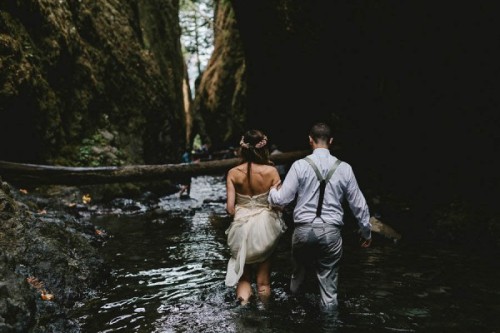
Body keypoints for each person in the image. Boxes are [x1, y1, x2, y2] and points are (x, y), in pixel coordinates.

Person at [268, 122, 372, 311]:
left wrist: (272, 191)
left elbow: (282, 200)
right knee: (329, 289)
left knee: (297, 276)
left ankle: (292, 316)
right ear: (331, 141)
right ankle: (329, 323)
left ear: (310, 140)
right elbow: (359, 204)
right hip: (331, 233)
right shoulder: (345, 168)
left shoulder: (299, 165)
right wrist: (366, 232)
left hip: (302, 230)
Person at [225, 129, 287, 305]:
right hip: (265, 228)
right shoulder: (271, 171)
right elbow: (278, 204)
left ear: (242, 148)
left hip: (241, 228)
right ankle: (264, 315)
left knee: (244, 278)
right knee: (263, 281)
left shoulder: (233, 173)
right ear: (263, 147)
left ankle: (243, 310)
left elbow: (230, 209)